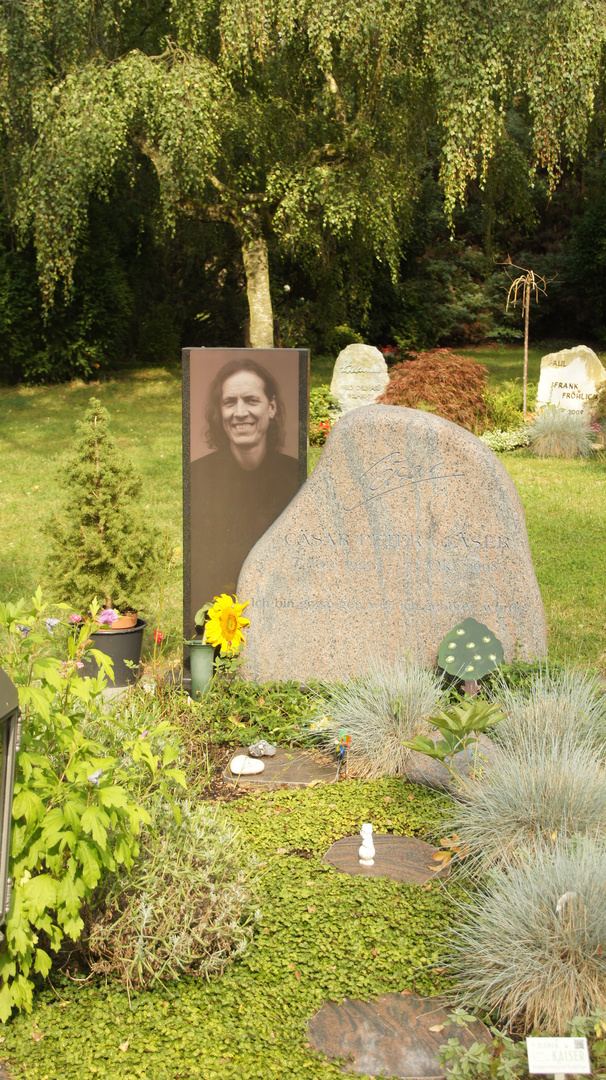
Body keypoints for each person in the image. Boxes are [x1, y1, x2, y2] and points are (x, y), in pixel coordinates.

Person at [189, 357, 299, 625]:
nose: (240, 412)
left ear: (271, 407)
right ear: (220, 411)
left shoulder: (294, 476)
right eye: (230, 402)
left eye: (251, 400)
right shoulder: (198, 474)